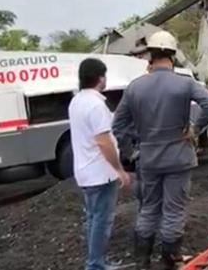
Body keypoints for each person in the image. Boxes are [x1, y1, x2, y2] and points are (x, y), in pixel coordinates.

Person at [112, 30, 208, 270]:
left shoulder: (135, 87)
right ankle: (170, 261)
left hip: (148, 159)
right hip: (179, 157)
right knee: (173, 210)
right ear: (173, 55)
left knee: (148, 209)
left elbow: (118, 126)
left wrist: (130, 153)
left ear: (150, 55)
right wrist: (195, 128)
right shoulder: (184, 83)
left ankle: (142, 261)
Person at [68, 58, 131, 270]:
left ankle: (97, 261)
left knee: (93, 218)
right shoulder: (96, 105)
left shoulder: (77, 101)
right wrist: (119, 169)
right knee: (101, 221)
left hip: (85, 172)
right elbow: (104, 141)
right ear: (100, 77)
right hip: (100, 173)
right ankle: (95, 264)